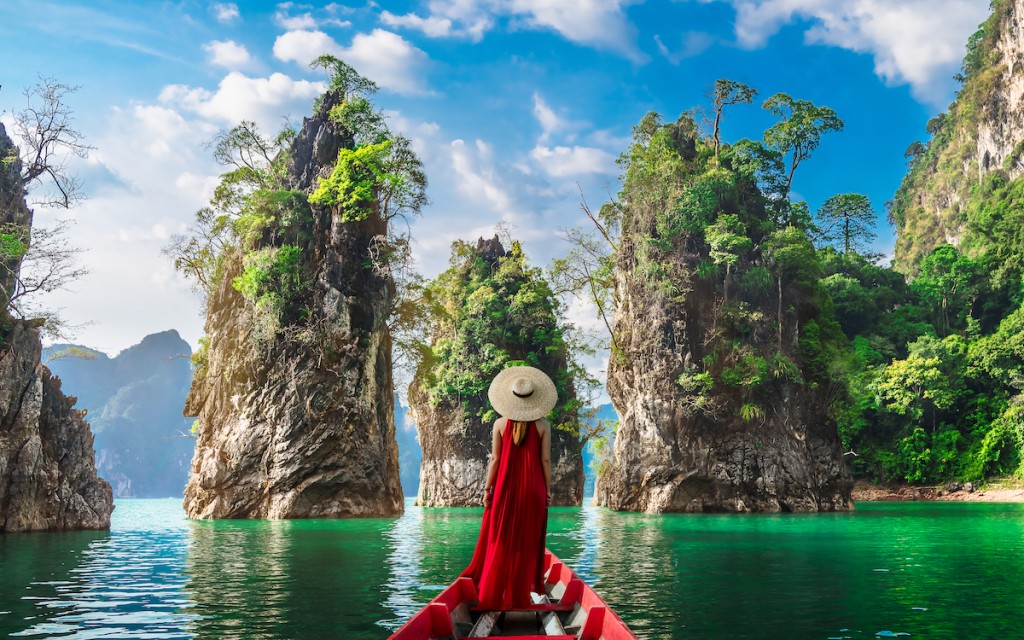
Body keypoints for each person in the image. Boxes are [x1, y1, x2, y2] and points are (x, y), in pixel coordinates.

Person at [462, 365, 555, 610]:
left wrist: (487, 490)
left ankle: (498, 592)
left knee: (502, 540)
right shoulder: (544, 425)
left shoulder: (500, 424)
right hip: (533, 489)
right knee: (528, 541)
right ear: (535, 399)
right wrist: (547, 489)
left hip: (505, 489)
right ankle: (522, 593)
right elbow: (545, 461)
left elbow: (495, 460)